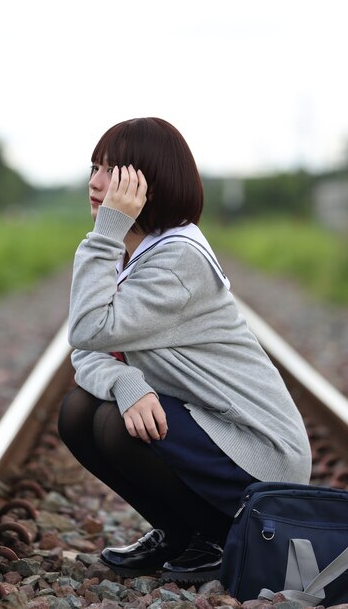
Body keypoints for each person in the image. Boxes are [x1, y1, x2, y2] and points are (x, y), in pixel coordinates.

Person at [58, 117, 312, 584]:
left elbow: (90, 329)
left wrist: (108, 230)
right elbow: (86, 348)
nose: (94, 183)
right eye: (93, 167)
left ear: (146, 183)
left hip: (257, 448)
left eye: (111, 171)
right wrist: (126, 381)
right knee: (79, 410)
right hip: (207, 425)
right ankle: (180, 533)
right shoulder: (129, 251)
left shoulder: (178, 259)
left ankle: (220, 537)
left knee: (117, 426)